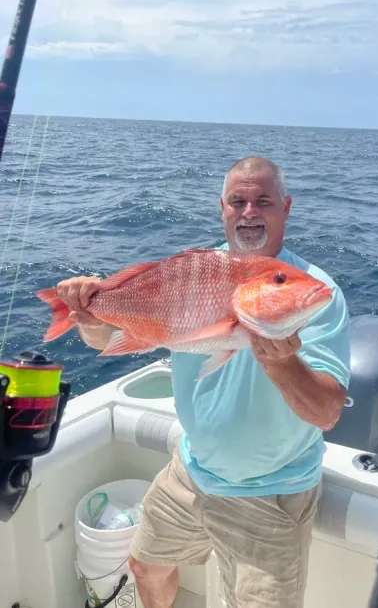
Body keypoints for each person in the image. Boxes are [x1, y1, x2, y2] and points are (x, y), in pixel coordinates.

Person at [56, 156, 351, 608]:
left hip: (270, 492)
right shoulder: (198, 270)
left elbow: (328, 412)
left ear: (285, 209)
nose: (249, 211)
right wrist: (85, 313)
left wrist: (282, 365)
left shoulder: (316, 292)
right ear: (223, 209)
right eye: (238, 201)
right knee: (144, 566)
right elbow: (106, 337)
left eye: (263, 201)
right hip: (192, 470)